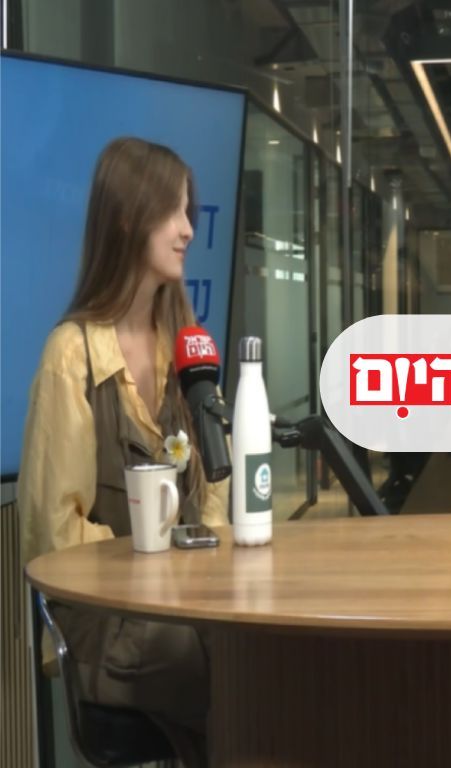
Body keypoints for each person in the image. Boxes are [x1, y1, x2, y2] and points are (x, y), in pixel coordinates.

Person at [18, 137, 229, 767]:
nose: (188, 230)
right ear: (127, 218)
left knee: (262, 644)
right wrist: (162, 570)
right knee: (230, 664)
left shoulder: (187, 344)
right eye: (173, 211)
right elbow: (54, 535)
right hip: (109, 620)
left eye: (189, 212)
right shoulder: (72, 355)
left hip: (187, 605)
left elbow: (213, 497)